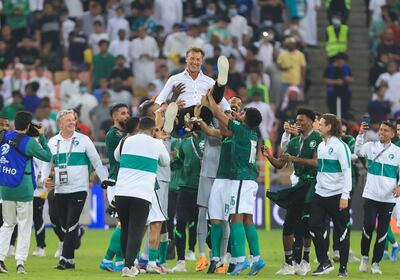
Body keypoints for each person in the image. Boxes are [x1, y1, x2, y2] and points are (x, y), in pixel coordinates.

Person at [42, 109, 108, 270]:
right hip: (60, 189)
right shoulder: (52, 142)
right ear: (60, 124)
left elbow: (97, 162)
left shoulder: (84, 140)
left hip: (79, 188)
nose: (72, 122)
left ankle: (64, 258)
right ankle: (71, 259)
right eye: (68, 120)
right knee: (65, 224)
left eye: (73, 120)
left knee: (71, 221)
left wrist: (105, 180)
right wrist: (44, 179)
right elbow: (46, 163)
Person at [207, 91, 263, 276]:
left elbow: (216, 112)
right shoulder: (252, 133)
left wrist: (210, 96)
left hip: (240, 178)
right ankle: (257, 259)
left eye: (244, 112)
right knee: (247, 219)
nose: (241, 113)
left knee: (235, 218)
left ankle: (239, 260)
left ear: (246, 119)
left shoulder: (240, 129)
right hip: (249, 179)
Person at [265, 108, 322, 276]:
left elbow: (317, 163)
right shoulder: (293, 142)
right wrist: (269, 156)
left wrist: (295, 159)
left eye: (302, 119)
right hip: (298, 185)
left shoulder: (318, 139)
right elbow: (280, 164)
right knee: (288, 225)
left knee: (305, 226)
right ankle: (289, 263)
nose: (298, 122)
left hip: (313, 185)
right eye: (297, 119)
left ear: (312, 122)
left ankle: (305, 260)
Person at [113, 117, 170, 277]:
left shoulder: (127, 140)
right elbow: (165, 162)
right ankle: (128, 266)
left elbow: (116, 157)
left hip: (122, 192)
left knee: (125, 228)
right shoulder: (156, 143)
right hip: (141, 194)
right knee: (136, 230)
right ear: (153, 130)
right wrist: (159, 141)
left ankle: (128, 264)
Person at [0, 111, 52, 274]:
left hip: (6, 187)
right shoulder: (29, 142)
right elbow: (47, 156)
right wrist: (42, 136)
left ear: (15, 123)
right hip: (23, 189)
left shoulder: (5, 137)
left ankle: (0, 259)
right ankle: (20, 262)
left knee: (7, 224)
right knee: (24, 225)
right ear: (29, 125)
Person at [309, 113, 351, 277]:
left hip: (337, 195)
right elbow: (321, 170)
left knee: (341, 232)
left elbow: (347, 171)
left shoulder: (341, 147)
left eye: (321, 124)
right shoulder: (321, 145)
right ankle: (324, 262)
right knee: (313, 226)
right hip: (320, 194)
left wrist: (344, 195)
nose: (318, 126)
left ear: (329, 127)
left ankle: (343, 268)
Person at [356, 120, 400, 274]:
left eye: (385, 130)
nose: (381, 132)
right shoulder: (370, 146)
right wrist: (360, 135)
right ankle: (364, 258)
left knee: (382, 231)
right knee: (368, 226)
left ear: (392, 134)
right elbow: (357, 151)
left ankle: (376, 263)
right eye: (380, 129)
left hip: (388, 198)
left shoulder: (398, 151)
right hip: (371, 195)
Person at [155, 47, 230, 135]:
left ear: (202, 61)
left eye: (198, 59)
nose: (195, 62)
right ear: (186, 59)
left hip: (203, 114)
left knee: (211, 102)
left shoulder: (209, 81)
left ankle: (220, 83)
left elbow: (223, 101)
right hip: (184, 112)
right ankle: (170, 122)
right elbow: (159, 100)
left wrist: (228, 111)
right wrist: (166, 107)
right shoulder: (175, 79)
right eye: (192, 59)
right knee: (180, 114)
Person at [99, 117, 138, 273]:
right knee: (123, 225)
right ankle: (108, 259)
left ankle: (119, 261)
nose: (126, 115)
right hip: (117, 183)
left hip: (124, 183)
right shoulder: (114, 135)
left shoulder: (124, 136)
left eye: (127, 112)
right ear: (115, 117)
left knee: (125, 225)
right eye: (122, 113)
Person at [171, 130, 205, 272]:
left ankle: (216, 258)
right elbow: (179, 163)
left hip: (203, 188)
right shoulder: (185, 141)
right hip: (184, 188)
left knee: (204, 225)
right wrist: (174, 160)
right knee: (180, 224)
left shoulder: (210, 138)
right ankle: (180, 261)